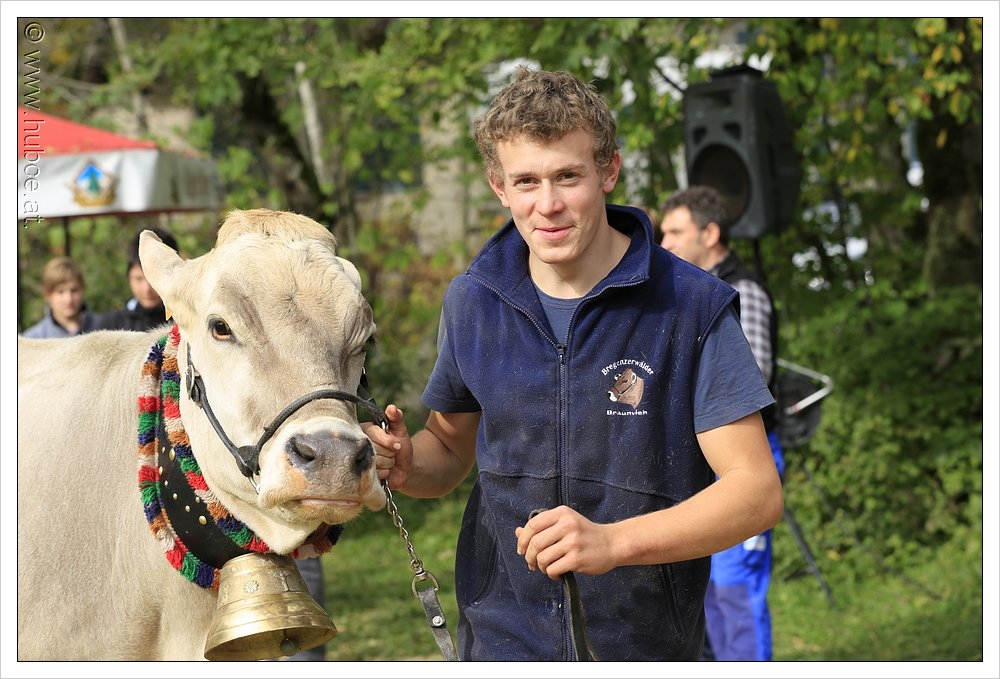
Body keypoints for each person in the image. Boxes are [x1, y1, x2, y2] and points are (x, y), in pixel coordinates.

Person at [363, 66, 784, 661]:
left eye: (568, 176)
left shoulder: (691, 305)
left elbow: (755, 492)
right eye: (526, 181)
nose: (548, 205)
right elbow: (450, 452)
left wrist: (614, 543)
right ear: (498, 187)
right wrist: (407, 462)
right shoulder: (474, 301)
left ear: (609, 171)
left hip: (645, 646)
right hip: (501, 642)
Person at [659, 185, 786, 661]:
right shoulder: (680, 295)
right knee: (705, 587)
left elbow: (747, 380)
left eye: (676, 232)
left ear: (710, 234)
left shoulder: (742, 291)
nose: (665, 243)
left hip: (741, 460)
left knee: (735, 590)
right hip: (694, 461)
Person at [21, 256, 100, 338]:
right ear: (47, 295)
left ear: (83, 289)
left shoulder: (103, 327)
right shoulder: (33, 338)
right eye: (60, 292)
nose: (68, 299)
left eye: (74, 290)